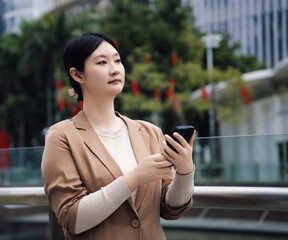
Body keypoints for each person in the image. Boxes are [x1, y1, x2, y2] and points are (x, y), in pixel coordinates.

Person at [41, 32, 195, 240]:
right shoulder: (61, 136)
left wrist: (185, 171)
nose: (114, 69)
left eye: (117, 60)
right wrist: (134, 178)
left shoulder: (149, 132)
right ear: (78, 75)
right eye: (102, 62)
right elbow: (72, 217)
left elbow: (170, 209)